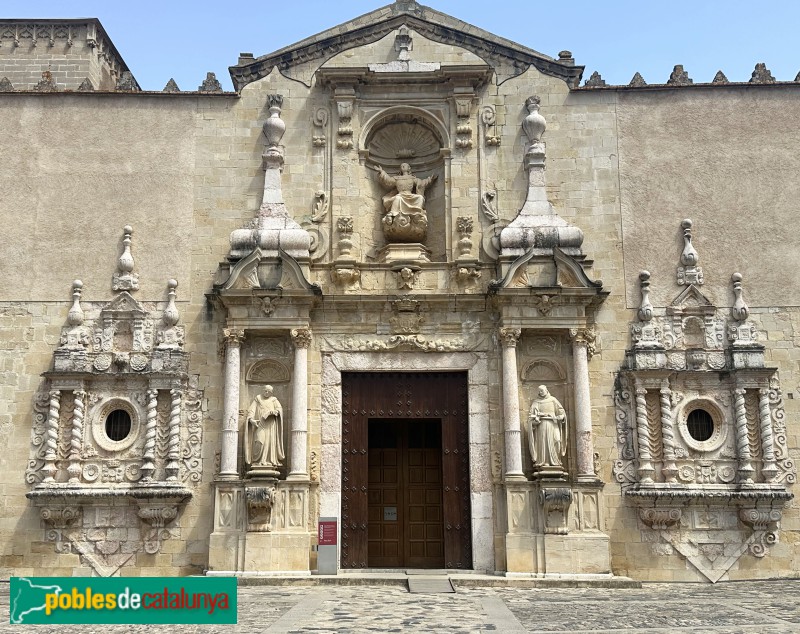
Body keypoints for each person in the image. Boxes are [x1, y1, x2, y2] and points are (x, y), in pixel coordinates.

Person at [245, 385, 285, 469]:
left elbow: (279, 410)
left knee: (269, 442)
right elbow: (251, 410)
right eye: (265, 391)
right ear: (263, 390)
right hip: (260, 424)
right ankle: (257, 461)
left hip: (270, 425)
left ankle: (268, 461)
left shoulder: (274, 400)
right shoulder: (258, 398)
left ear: (271, 393)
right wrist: (251, 419)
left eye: (269, 392)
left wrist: (273, 412)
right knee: (259, 441)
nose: (267, 393)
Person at [528, 385, 567, 468]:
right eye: (539, 391)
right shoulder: (536, 402)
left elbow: (561, 412)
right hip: (541, 425)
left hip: (553, 424)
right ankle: (544, 461)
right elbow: (531, 416)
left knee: (557, 440)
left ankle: (556, 460)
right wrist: (535, 421)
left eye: (542, 390)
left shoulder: (553, 400)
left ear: (546, 390)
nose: (541, 392)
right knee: (543, 443)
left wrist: (561, 416)